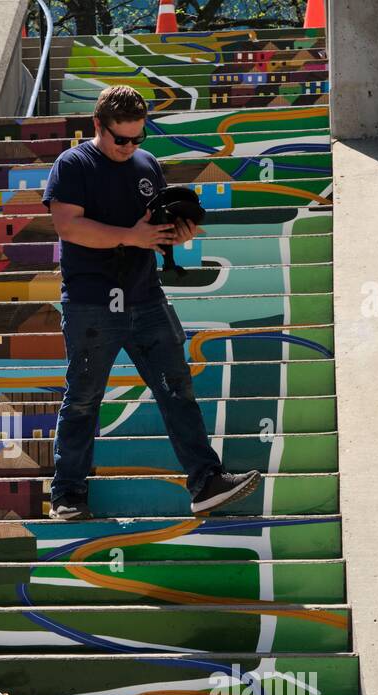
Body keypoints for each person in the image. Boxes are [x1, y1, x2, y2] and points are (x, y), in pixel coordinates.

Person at [41, 84, 262, 520]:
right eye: (120, 139)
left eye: (138, 138)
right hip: (91, 302)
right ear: (97, 126)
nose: (129, 147)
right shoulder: (73, 163)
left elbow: (152, 226)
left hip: (146, 297)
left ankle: (205, 483)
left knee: (177, 389)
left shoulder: (146, 164)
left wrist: (173, 236)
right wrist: (131, 236)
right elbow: (68, 226)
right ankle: (67, 494)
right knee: (84, 397)